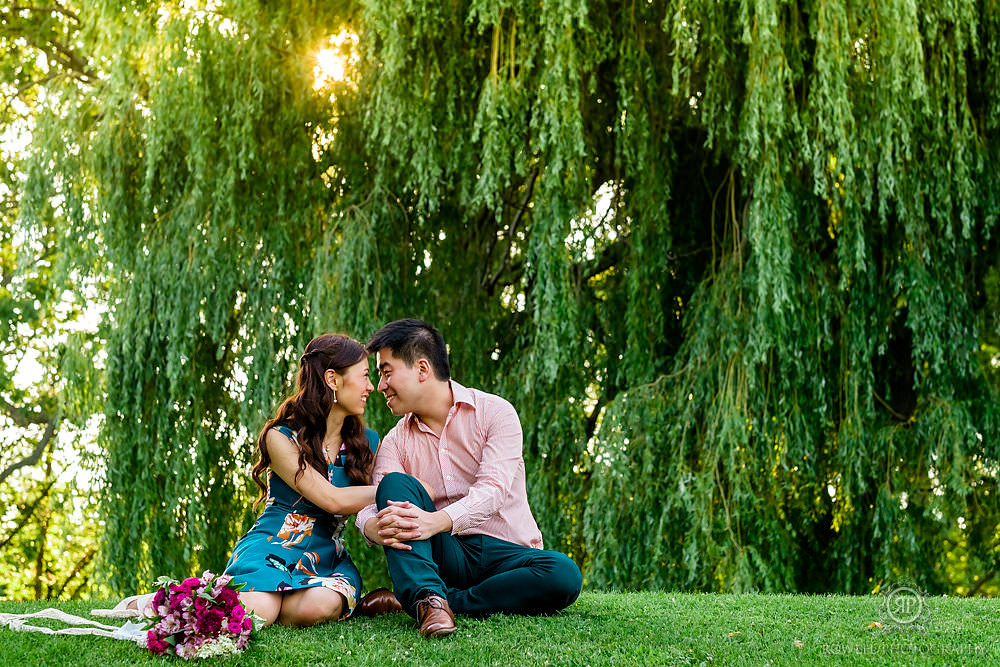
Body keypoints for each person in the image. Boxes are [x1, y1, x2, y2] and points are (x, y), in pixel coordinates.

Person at [354, 319, 583, 638]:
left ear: (422, 369)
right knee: (394, 486)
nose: (380, 386)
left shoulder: (495, 413)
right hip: (447, 553)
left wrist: (436, 521)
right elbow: (372, 502)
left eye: (387, 372)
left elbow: (492, 492)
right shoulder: (396, 442)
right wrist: (371, 526)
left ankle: (439, 601)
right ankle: (429, 600)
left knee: (563, 574)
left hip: (507, 554)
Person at [223, 333, 380, 627]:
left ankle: (276, 596)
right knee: (258, 612)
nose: (371, 386)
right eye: (365, 376)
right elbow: (331, 498)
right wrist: (393, 488)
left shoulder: (368, 443)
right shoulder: (280, 437)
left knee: (318, 607)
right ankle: (162, 602)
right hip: (271, 545)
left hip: (326, 555)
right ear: (333, 380)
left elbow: (367, 509)